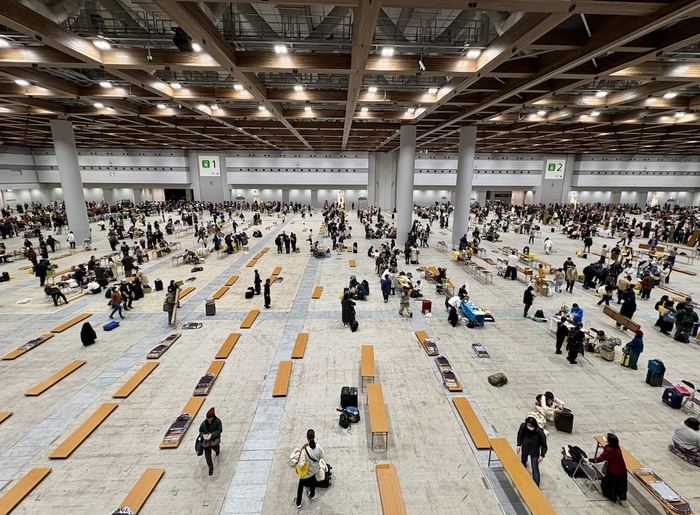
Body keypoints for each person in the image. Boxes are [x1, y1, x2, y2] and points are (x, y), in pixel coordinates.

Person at [586, 433, 628, 505]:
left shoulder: (609, 449)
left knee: (611, 484)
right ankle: (621, 497)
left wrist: (590, 460)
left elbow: (600, 458)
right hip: (622, 469)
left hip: (614, 471)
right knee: (621, 485)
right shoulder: (616, 447)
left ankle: (612, 496)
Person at [294, 429, 324, 510]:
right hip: (315, 470)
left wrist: (298, 464)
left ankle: (298, 503)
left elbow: (301, 465)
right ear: (314, 436)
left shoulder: (304, 451)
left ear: (307, 438)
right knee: (313, 481)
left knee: (300, 486)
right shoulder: (319, 447)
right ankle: (312, 495)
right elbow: (322, 456)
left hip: (306, 473)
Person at [516, 416, 548, 487]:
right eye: (528, 425)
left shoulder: (540, 433)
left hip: (534, 452)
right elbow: (520, 435)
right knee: (523, 461)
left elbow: (544, 445)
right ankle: (522, 474)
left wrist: (542, 455)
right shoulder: (523, 426)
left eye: (530, 426)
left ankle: (536, 486)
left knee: (535, 468)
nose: (529, 427)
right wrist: (519, 445)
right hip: (525, 448)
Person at [198, 407, 222, 476]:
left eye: (210, 418)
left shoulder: (218, 422)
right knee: (207, 455)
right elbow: (201, 431)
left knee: (216, 448)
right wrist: (203, 436)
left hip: (214, 440)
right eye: (207, 418)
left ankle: (217, 450)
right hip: (206, 442)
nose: (209, 420)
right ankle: (210, 467)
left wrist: (211, 435)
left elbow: (219, 431)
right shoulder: (204, 423)